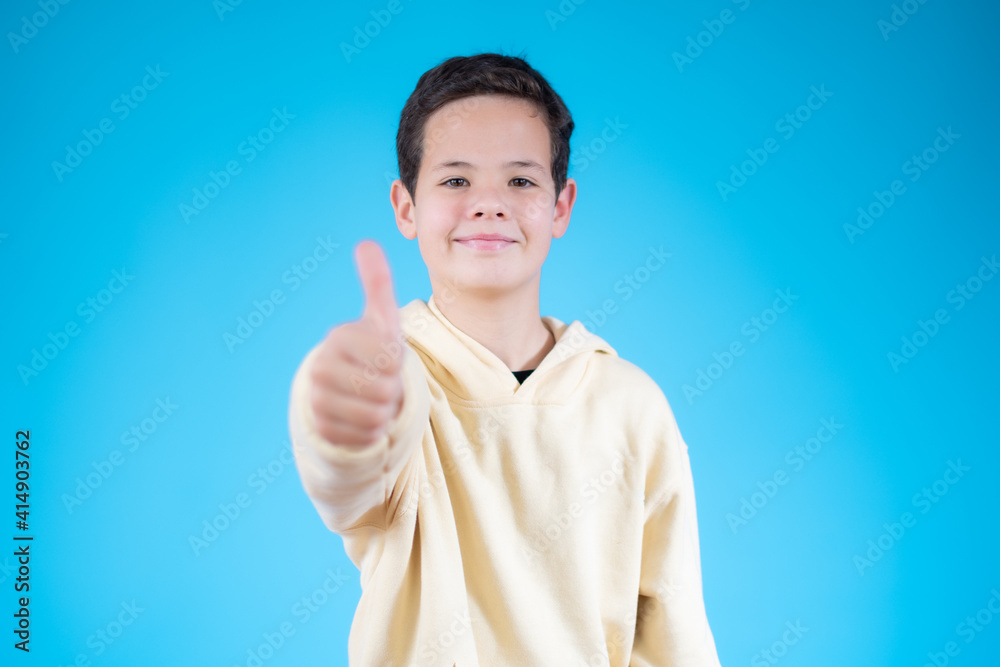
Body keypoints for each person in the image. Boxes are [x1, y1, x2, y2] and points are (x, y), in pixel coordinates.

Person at [287, 52, 722, 666]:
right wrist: (345, 398)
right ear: (406, 206)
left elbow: (671, 625)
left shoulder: (630, 403)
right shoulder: (395, 382)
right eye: (456, 180)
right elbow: (348, 470)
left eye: (520, 180)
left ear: (560, 205)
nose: (488, 204)